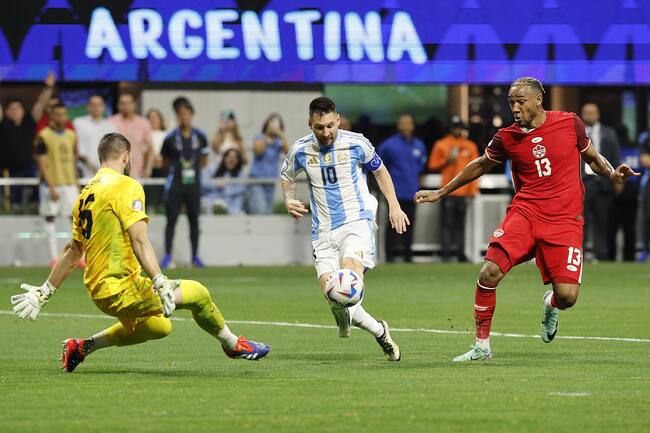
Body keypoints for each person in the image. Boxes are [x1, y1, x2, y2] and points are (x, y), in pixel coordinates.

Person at [415, 77, 638, 362]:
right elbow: (481, 164)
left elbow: (592, 157)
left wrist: (612, 174)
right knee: (489, 272)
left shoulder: (570, 123)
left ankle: (550, 304)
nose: (515, 108)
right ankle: (481, 346)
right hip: (526, 214)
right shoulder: (507, 137)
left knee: (567, 297)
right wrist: (442, 191)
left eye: (520, 101)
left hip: (565, 220)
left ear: (538, 100)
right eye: (511, 102)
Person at [10, 132, 269, 372]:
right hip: (119, 288)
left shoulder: (85, 192)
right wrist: (160, 279)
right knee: (199, 294)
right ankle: (233, 344)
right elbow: (140, 241)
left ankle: (82, 346)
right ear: (126, 156)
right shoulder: (125, 185)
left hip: (101, 289)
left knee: (159, 326)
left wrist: (45, 291)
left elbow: (73, 249)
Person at [281, 97, 409, 361]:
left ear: (338, 120)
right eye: (319, 127)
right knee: (335, 296)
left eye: (330, 125)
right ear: (310, 124)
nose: (326, 132)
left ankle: (351, 315)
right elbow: (287, 176)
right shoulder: (301, 150)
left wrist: (394, 206)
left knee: (347, 280)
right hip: (322, 231)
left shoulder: (356, 143)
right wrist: (288, 199)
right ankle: (380, 331)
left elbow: (381, 172)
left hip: (356, 221)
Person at [160, 97, 208, 269]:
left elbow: (204, 160)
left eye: (187, 114)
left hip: (194, 184)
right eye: (181, 114)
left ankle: (195, 257)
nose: (184, 117)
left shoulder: (201, 137)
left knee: (194, 220)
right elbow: (164, 162)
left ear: (192, 115)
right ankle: (167, 257)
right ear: (177, 117)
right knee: (171, 220)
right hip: (175, 184)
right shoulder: (170, 138)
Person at [427, 115, 480, 262]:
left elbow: (477, 170)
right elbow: (432, 165)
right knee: (446, 224)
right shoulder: (441, 144)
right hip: (447, 191)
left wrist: (472, 191)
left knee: (460, 224)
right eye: (454, 127)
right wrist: (447, 160)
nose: (457, 130)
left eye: (459, 127)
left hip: (463, 192)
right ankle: (446, 253)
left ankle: (460, 253)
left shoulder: (470, 146)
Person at [0, 74, 56, 208]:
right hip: (9, 170)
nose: (14, 111)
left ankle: (35, 207)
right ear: (6, 112)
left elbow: (41, 104)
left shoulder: (30, 122)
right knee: (14, 204)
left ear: (23, 110)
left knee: (34, 198)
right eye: (11, 109)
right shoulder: (2, 124)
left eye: (17, 108)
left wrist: (48, 88)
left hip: (30, 167)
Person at [34, 102, 80, 267]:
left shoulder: (71, 135)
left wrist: (76, 184)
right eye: (58, 114)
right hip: (51, 185)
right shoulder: (43, 136)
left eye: (64, 114)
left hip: (69, 184)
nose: (62, 117)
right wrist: (51, 186)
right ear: (51, 116)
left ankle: (77, 258)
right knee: (50, 218)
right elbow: (42, 163)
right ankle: (54, 258)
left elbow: (73, 160)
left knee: (75, 221)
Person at [377, 113, 427, 262]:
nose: (406, 126)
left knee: (410, 223)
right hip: (394, 192)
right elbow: (378, 169)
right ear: (398, 126)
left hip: (412, 192)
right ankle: (390, 255)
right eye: (403, 123)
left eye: (408, 123)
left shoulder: (419, 145)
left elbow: (422, 168)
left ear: (413, 126)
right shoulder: (388, 146)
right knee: (392, 223)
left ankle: (407, 255)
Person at [581, 102, 621, 261]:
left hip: (603, 184)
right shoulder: (576, 133)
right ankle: (580, 255)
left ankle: (602, 255)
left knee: (603, 222)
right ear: (582, 115)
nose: (590, 115)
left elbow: (615, 156)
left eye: (592, 113)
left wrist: (617, 180)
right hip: (583, 183)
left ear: (598, 115)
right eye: (587, 112)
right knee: (581, 222)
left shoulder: (609, 133)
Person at [607, 124, 641, 261]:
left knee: (612, 227)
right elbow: (640, 172)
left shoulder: (614, 151)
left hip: (616, 191)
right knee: (629, 228)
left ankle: (610, 257)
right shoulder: (635, 151)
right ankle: (629, 257)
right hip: (631, 192)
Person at [249, 113, 289, 214]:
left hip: (270, 181)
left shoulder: (278, 141)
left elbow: (288, 153)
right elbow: (259, 151)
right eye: (272, 123)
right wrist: (266, 137)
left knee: (268, 210)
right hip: (257, 181)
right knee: (260, 209)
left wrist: (281, 136)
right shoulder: (259, 137)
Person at [109, 93, 153, 179]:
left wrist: (148, 170)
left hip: (138, 173)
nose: (126, 106)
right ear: (118, 105)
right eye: (122, 103)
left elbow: (150, 149)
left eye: (129, 103)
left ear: (134, 105)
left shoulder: (143, 123)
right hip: (115, 174)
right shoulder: (111, 122)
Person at [73, 94, 115, 178]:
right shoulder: (78, 123)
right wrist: (89, 163)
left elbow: (113, 149)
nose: (96, 108)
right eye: (93, 105)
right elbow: (78, 146)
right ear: (88, 107)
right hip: (83, 170)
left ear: (103, 107)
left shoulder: (110, 126)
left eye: (99, 105)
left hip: (105, 172)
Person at [145, 108, 168, 211]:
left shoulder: (166, 134)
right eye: (150, 118)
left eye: (155, 118)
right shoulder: (145, 135)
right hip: (148, 169)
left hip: (163, 168)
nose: (153, 120)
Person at [211, 148, 246, 214]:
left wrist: (226, 186)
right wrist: (216, 184)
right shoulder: (214, 170)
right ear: (224, 158)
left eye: (234, 158)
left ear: (238, 161)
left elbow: (241, 188)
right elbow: (203, 182)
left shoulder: (241, 174)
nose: (231, 160)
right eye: (229, 157)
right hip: (214, 204)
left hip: (233, 207)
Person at [639, 136, 650, 262]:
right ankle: (645, 251)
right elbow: (645, 161)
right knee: (647, 218)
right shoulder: (646, 138)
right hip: (648, 184)